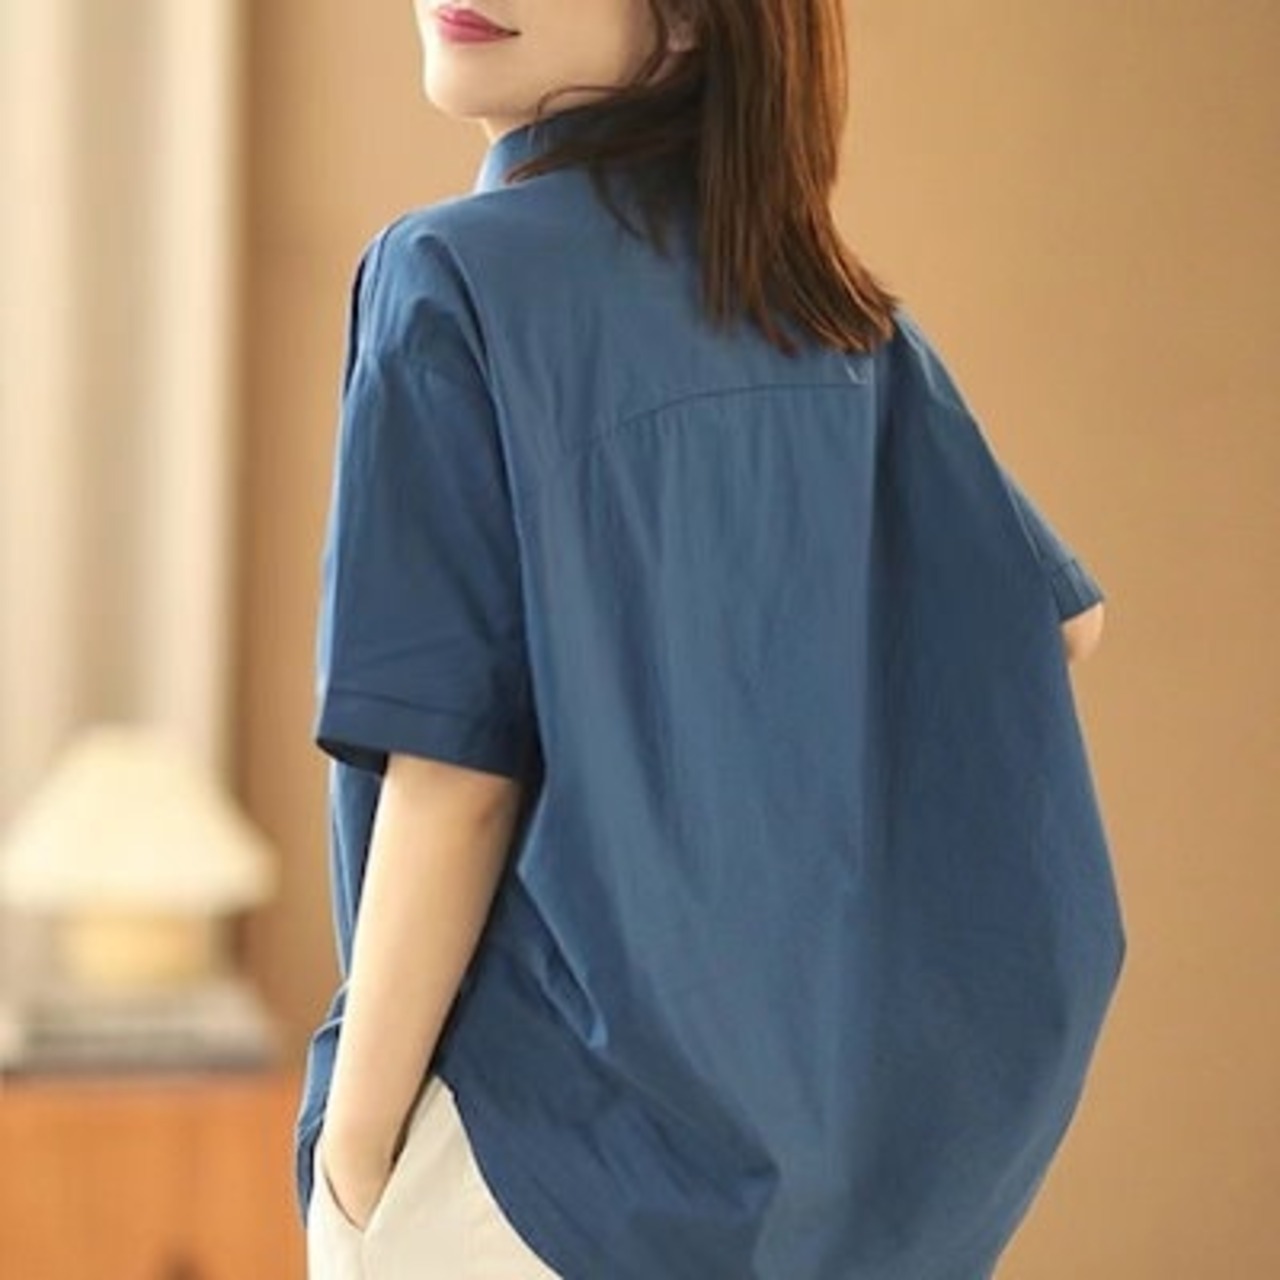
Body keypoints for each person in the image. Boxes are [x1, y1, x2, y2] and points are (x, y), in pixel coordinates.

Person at [295, 2, 1127, 1277]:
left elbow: (456, 781)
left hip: (536, 1163)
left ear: (693, 15)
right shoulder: (828, 311)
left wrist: (353, 1160)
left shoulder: (450, 273)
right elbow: (1059, 618)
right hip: (811, 1188)